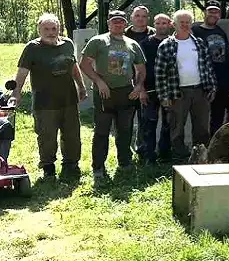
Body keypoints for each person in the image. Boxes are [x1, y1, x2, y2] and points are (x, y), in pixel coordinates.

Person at [11, 13, 87, 180]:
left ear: (59, 29)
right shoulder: (32, 48)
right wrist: (16, 94)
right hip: (44, 102)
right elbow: (22, 73)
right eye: (46, 29)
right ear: (39, 29)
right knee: (47, 136)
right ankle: (48, 167)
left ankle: (71, 164)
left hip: (68, 99)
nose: (51, 32)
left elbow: (73, 67)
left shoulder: (67, 43)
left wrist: (81, 87)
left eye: (54, 28)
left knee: (72, 135)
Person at [79, 10, 147, 183]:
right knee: (101, 131)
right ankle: (98, 168)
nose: (118, 24)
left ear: (125, 24)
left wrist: (138, 86)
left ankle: (125, 163)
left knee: (125, 130)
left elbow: (141, 69)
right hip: (104, 93)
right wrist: (99, 81)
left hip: (126, 92)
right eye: (114, 21)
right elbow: (84, 65)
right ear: (109, 23)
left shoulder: (132, 44)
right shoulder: (98, 41)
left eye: (121, 21)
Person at [155, 10, 217, 163]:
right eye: (181, 22)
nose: (184, 25)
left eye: (187, 22)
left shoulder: (199, 43)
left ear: (191, 23)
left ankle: (200, 157)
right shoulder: (166, 45)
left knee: (202, 128)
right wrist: (164, 97)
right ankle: (180, 158)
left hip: (200, 91)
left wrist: (212, 87)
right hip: (177, 93)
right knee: (177, 128)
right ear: (174, 24)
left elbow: (208, 67)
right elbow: (160, 73)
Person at [192, 0, 229, 135]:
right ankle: (200, 145)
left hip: (221, 80)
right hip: (201, 80)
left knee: (217, 116)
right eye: (210, 11)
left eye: (216, 12)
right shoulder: (194, 30)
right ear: (205, 12)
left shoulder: (221, 31)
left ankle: (214, 145)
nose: (213, 14)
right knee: (200, 116)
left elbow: (227, 56)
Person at [134, 13, 173, 164]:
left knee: (168, 123)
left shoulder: (174, 43)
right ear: (154, 24)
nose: (161, 26)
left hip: (170, 90)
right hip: (149, 89)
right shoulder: (145, 43)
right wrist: (141, 89)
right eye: (158, 23)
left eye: (164, 23)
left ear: (170, 24)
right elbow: (138, 69)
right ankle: (148, 155)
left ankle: (165, 154)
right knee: (149, 122)